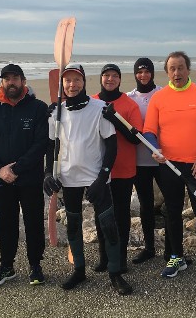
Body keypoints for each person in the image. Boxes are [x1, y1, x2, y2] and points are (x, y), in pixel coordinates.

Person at [44, 63, 133, 295]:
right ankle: (79, 270)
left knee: (108, 224)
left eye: (77, 80)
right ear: (63, 84)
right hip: (68, 176)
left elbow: (112, 145)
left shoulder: (100, 108)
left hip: (96, 176)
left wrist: (102, 178)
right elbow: (51, 146)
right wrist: (47, 173)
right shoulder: (56, 112)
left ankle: (115, 274)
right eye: (68, 81)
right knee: (73, 225)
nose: (72, 85)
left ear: (84, 82)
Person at [143, 51, 196, 292]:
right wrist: (155, 148)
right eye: (172, 69)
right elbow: (149, 130)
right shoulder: (159, 98)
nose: (177, 73)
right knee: (172, 211)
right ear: (167, 72)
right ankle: (176, 257)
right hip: (169, 166)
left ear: (188, 69)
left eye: (181, 68)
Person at [0, 64, 48, 287]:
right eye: (7, 79)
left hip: (30, 179)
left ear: (23, 81)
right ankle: (6, 266)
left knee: (34, 223)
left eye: (15, 78)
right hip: (3, 180)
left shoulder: (38, 108)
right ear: (2, 83)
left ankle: (35, 265)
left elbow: (41, 145)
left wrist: (16, 169)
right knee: (6, 223)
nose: (11, 82)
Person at [91, 63, 143, 273]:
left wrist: (115, 119)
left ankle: (120, 258)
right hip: (96, 169)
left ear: (120, 80)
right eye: (106, 75)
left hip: (123, 169)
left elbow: (135, 139)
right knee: (100, 214)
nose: (110, 79)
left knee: (121, 216)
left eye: (114, 76)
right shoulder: (92, 102)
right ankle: (104, 257)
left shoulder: (129, 105)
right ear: (101, 78)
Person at [126, 58, 163, 264]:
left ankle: (174, 250)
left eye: (147, 71)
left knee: (171, 204)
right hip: (140, 160)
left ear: (152, 73)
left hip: (163, 158)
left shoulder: (163, 93)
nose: (143, 75)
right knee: (146, 205)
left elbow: (183, 92)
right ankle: (149, 248)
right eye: (139, 72)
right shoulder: (129, 98)